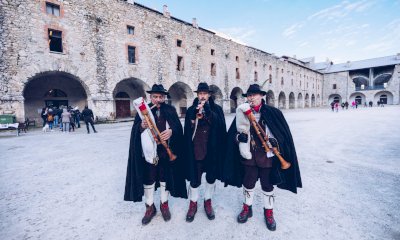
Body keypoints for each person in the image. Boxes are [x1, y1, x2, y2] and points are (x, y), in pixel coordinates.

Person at [223, 84, 302, 231]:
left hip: (267, 157)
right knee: (248, 183)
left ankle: (269, 212)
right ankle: (247, 207)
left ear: (261, 96)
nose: (251, 97)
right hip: (249, 157)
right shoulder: (241, 113)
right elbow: (232, 136)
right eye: (249, 95)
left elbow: (283, 136)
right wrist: (238, 137)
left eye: (254, 94)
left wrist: (275, 142)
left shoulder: (273, 113)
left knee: (267, 184)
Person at [124, 84, 187, 225]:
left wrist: (171, 131)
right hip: (148, 154)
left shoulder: (170, 110)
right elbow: (135, 131)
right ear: (150, 97)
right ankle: (150, 207)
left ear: (164, 97)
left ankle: (164, 204)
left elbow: (178, 127)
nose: (158, 99)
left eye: (160, 97)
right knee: (149, 179)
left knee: (165, 178)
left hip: (165, 152)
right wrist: (141, 126)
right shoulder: (143, 112)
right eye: (155, 97)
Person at [183, 83, 227, 222]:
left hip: (212, 151)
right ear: (197, 95)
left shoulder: (217, 110)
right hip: (196, 151)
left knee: (211, 178)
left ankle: (208, 202)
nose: (202, 96)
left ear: (209, 95)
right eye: (200, 93)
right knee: (195, 179)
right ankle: (193, 203)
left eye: (205, 93)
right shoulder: (191, 110)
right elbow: (187, 131)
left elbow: (220, 126)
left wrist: (208, 111)